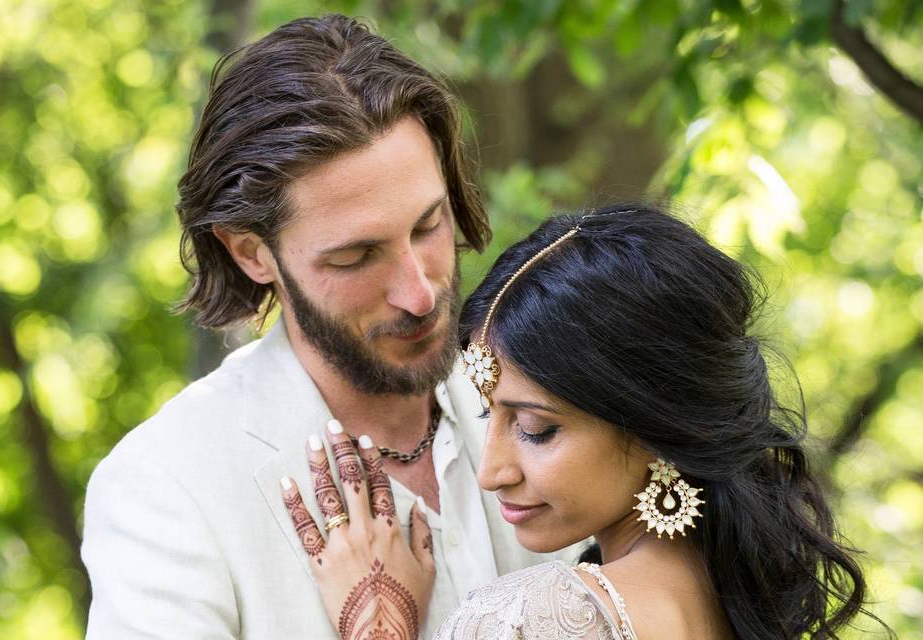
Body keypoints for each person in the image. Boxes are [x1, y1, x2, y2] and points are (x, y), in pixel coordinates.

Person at [80, 15, 576, 639]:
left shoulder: (559, 389)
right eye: (356, 256)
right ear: (250, 253)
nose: (420, 292)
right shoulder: (168, 488)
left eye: (429, 225)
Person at [283, 205, 881, 639]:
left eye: (536, 430)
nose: (491, 471)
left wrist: (375, 627)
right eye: (489, 414)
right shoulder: (743, 607)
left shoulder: (538, 620)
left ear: (657, 425)